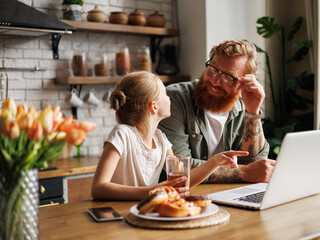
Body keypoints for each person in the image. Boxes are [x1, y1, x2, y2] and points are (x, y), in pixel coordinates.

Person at [91, 71, 249, 200]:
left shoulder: (160, 139)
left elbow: (182, 181)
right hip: (118, 215)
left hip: (147, 211)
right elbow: (98, 188)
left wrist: (215, 161)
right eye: (165, 94)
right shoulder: (122, 134)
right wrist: (151, 192)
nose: (170, 97)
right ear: (154, 106)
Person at [159, 40, 276, 183]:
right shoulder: (174, 99)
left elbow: (256, 163)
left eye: (228, 77)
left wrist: (253, 112)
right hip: (181, 195)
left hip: (227, 193)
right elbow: (178, 167)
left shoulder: (244, 104)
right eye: (212, 69)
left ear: (243, 82)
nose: (215, 81)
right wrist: (243, 172)